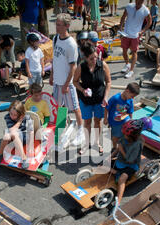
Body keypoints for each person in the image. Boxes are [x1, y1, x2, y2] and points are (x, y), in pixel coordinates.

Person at [50, 13, 85, 146]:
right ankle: (61, 129)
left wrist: (66, 84)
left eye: (59, 25)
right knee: (58, 107)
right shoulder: (55, 38)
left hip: (67, 83)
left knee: (75, 107)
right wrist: (52, 75)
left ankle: (81, 132)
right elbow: (55, 59)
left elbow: (73, 68)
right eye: (56, 24)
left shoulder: (71, 44)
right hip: (57, 82)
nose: (56, 27)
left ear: (67, 26)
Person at [73, 43, 111, 155]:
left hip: (99, 99)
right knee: (87, 122)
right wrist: (82, 90)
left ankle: (96, 143)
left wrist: (105, 97)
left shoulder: (102, 65)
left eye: (96, 56)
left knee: (97, 122)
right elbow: (74, 82)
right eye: (91, 58)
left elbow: (108, 82)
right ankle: (86, 144)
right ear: (85, 58)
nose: (94, 59)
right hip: (86, 100)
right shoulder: (81, 67)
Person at [110, 119, 144, 204]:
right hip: (120, 162)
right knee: (102, 166)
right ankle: (116, 172)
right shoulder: (124, 137)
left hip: (130, 166)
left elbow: (131, 160)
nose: (124, 136)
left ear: (134, 136)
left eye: (126, 135)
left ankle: (118, 202)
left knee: (122, 179)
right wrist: (110, 157)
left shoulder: (138, 144)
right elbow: (117, 149)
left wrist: (122, 150)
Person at [119, 0, 152, 79]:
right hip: (126, 33)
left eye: (140, 1)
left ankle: (131, 70)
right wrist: (120, 28)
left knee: (134, 52)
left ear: (143, 1)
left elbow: (150, 22)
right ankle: (127, 64)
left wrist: (142, 31)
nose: (138, 2)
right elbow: (123, 17)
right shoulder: (129, 6)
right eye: (137, 1)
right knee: (124, 51)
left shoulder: (145, 10)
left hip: (135, 35)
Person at [0, 100, 29, 169]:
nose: (12, 116)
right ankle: (0, 154)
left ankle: (24, 158)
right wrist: (19, 121)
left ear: (21, 114)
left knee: (13, 134)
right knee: (6, 136)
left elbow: (31, 131)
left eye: (15, 115)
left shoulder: (27, 117)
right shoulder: (7, 117)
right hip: (14, 135)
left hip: (24, 137)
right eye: (11, 113)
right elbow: (12, 130)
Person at [104, 82, 139, 150]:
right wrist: (105, 118)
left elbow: (130, 111)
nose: (133, 98)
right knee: (115, 137)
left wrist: (131, 122)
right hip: (115, 123)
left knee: (125, 136)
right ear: (127, 91)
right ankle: (114, 148)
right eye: (132, 96)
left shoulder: (130, 100)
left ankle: (123, 148)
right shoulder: (115, 98)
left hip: (125, 121)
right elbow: (106, 108)